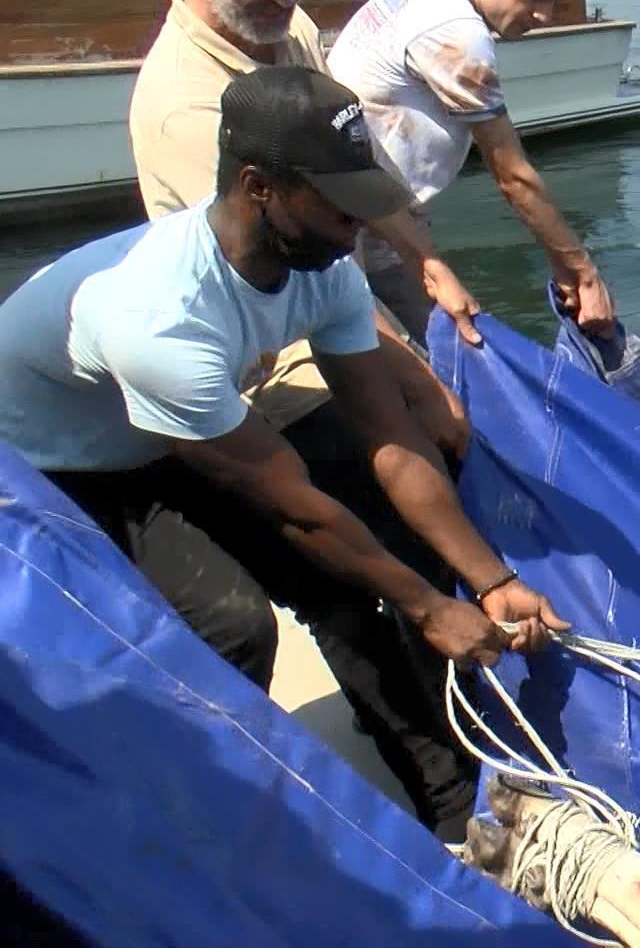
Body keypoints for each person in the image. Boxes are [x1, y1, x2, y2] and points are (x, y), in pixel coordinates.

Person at [0, 66, 571, 842]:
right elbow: (297, 509)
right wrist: (432, 609)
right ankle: (197, 821)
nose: (357, 225)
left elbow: (392, 440)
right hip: (57, 465)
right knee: (234, 624)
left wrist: (490, 579)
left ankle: (446, 808)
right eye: (339, 204)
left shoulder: (326, 270)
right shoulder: (160, 317)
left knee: (341, 585)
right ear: (257, 187)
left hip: (174, 427)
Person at [127, 0, 483, 349]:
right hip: (263, 343)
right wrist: (407, 367)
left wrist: (427, 264)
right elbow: (285, 275)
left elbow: (351, 163)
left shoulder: (288, 27)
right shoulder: (183, 104)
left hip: (340, 289)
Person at [326, 0, 614, 343]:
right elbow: (513, 176)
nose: (544, 16)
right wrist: (583, 271)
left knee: (433, 339)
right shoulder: (458, 33)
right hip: (354, 224)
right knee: (419, 361)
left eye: (555, 1)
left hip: (370, 206)